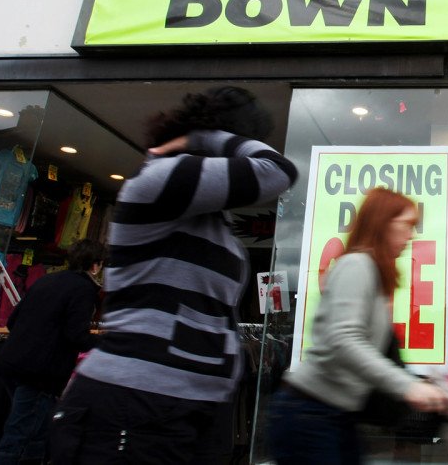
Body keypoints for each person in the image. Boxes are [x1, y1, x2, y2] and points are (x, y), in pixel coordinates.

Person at [49, 86, 297, 464]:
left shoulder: (209, 217)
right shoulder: (161, 178)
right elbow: (277, 170)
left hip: (189, 408)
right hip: (137, 403)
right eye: (241, 142)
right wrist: (204, 137)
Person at [267, 187, 448, 464]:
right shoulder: (357, 265)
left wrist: (417, 382)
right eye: (407, 225)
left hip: (332, 415)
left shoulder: (371, 273)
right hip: (311, 413)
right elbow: (344, 339)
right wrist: (408, 387)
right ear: (382, 223)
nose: (412, 235)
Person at [0, 238, 104, 465]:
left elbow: (13, 320)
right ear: (95, 265)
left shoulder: (47, 280)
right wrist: (106, 342)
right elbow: (76, 334)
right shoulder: (84, 290)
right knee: (21, 433)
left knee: (37, 432)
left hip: (13, 362)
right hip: (40, 372)